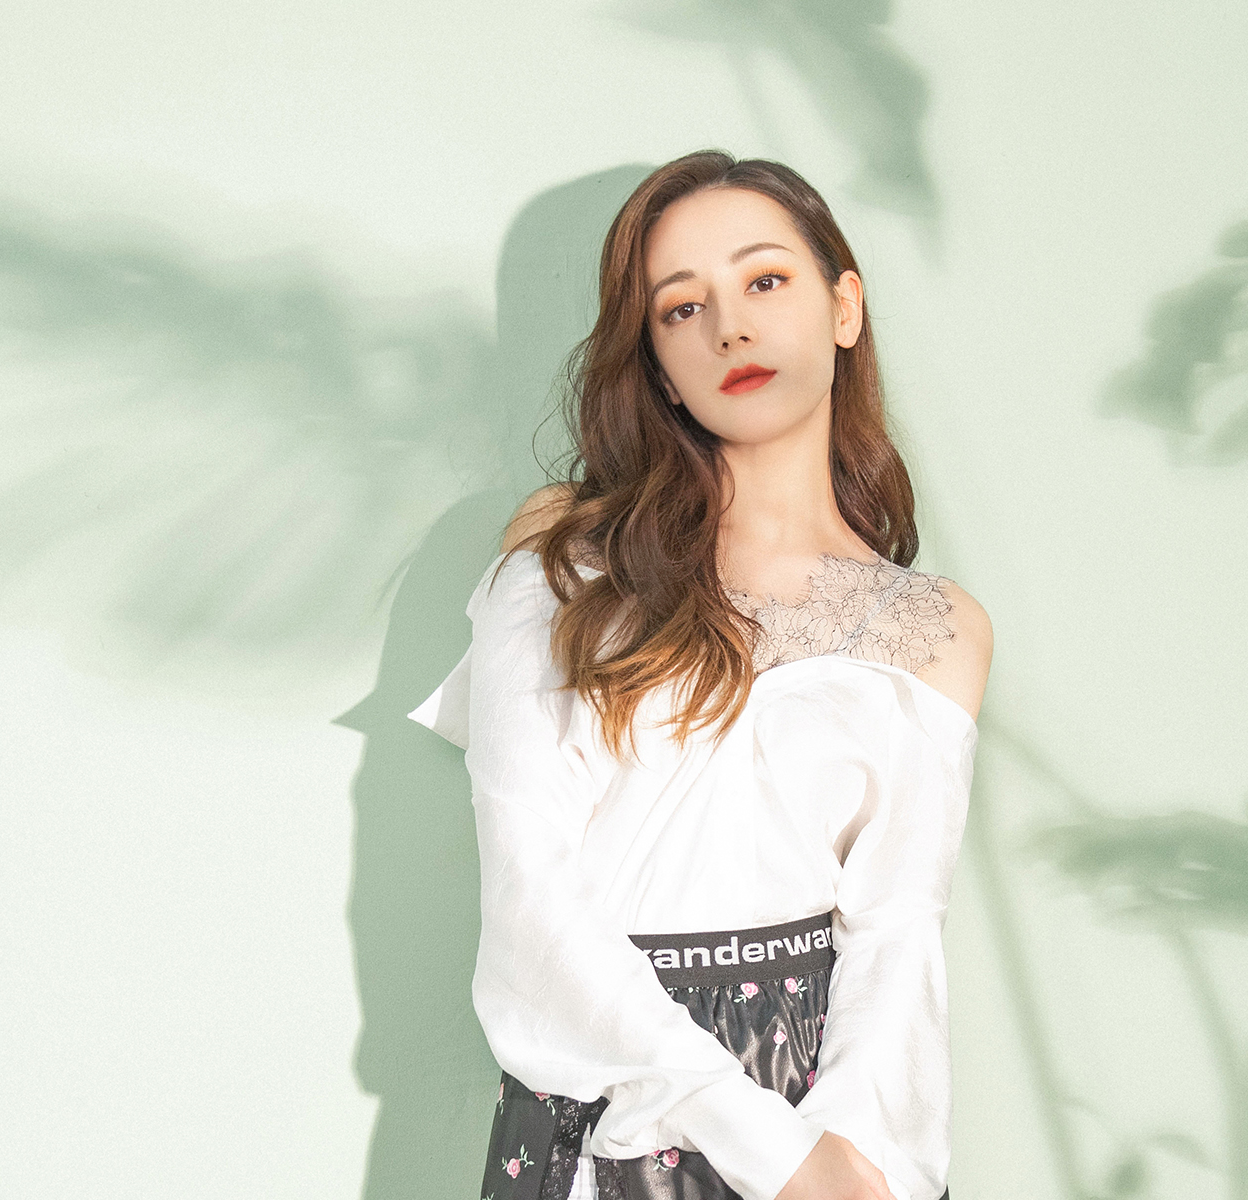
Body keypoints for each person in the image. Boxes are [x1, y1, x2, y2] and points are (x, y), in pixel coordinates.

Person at [406, 149, 992, 1200]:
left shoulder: (935, 625)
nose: (730, 328)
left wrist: (858, 1164)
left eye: (765, 280)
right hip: (612, 1098)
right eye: (682, 307)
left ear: (844, 307)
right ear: (657, 361)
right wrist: (777, 1157)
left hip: (833, 1116)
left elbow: (898, 931)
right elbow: (532, 896)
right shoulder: (562, 568)